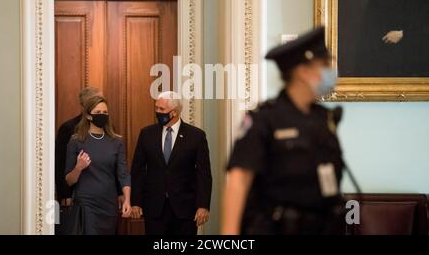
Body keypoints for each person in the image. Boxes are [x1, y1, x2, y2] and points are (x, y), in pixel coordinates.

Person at [222, 27, 346, 235]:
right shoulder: (263, 119)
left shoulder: (323, 118)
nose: (331, 72)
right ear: (303, 72)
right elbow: (239, 181)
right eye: (324, 65)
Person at [130, 91, 212, 235]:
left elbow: (203, 174)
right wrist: (135, 202)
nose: (157, 112)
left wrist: (203, 206)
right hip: (154, 208)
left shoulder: (196, 136)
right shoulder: (146, 134)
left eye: (161, 109)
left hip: (185, 209)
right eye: (156, 108)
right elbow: (138, 170)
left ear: (174, 112)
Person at [65, 95, 132, 235]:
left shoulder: (116, 141)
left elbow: (123, 174)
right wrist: (79, 167)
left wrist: (127, 200)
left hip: (109, 204)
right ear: (88, 116)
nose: (102, 116)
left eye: (105, 113)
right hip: (86, 204)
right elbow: (69, 180)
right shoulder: (76, 141)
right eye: (98, 113)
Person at [55, 87, 100, 207]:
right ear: (83, 106)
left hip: (102, 194)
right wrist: (65, 194)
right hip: (76, 193)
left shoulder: (106, 127)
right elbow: (60, 164)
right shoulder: (68, 128)